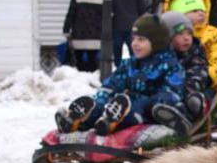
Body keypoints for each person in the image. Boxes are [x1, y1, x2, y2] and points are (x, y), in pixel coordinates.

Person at [55, 12, 187, 135]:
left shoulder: (170, 65)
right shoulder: (130, 64)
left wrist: (148, 103)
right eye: (133, 39)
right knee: (104, 104)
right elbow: (111, 84)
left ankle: (109, 122)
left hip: (146, 111)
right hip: (121, 105)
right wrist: (101, 99)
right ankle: (78, 119)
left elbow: (172, 93)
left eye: (141, 39)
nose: (135, 44)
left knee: (132, 108)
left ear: (157, 42)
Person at [163, 0, 217, 88]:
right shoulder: (168, 34)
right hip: (171, 82)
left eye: (202, 10)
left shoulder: (213, 34)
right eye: (194, 11)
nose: (201, 13)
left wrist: (208, 77)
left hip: (204, 82)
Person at [159, 10, 212, 127]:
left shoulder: (195, 52)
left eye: (189, 34)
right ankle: (166, 115)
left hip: (190, 89)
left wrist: (186, 86)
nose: (187, 38)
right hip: (167, 92)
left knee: (193, 99)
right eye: (181, 34)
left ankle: (187, 116)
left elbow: (199, 72)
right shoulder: (162, 55)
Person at [110, 0, 149, 67]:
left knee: (117, 52)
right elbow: (143, 6)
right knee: (135, 50)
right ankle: (135, 70)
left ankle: (119, 71)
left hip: (117, 24)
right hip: (133, 24)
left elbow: (108, 8)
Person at [63, 0, 103, 72]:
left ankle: (81, 76)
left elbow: (71, 14)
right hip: (96, 34)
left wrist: (66, 29)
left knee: (79, 58)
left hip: (78, 34)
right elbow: (104, 16)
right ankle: (92, 76)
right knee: (93, 59)